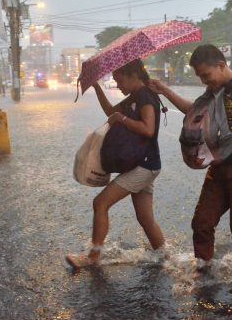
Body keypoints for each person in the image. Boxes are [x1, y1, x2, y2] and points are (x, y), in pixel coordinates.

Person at [149, 44, 232, 275]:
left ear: (221, 66)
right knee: (201, 223)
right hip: (218, 168)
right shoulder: (212, 91)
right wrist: (164, 91)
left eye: (205, 75)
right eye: (199, 76)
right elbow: (193, 112)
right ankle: (203, 272)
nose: (203, 81)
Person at [66, 59, 166, 268]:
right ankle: (165, 257)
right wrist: (96, 86)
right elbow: (111, 112)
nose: (118, 84)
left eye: (119, 79)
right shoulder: (135, 96)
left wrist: (122, 119)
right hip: (143, 162)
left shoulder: (146, 96)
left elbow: (148, 129)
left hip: (143, 165)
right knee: (145, 217)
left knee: (100, 203)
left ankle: (92, 257)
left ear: (132, 75)